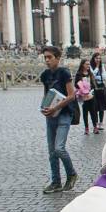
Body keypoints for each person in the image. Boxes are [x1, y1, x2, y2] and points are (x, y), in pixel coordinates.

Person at [38, 46, 79, 194]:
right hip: (51, 116)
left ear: (57, 58)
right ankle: (56, 182)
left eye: (50, 57)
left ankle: (72, 173)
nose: (47, 60)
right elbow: (47, 94)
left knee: (59, 148)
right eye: (45, 58)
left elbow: (71, 95)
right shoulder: (45, 75)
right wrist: (44, 107)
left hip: (64, 114)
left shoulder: (64, 73)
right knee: (52, 152)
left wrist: (56, 108)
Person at [87, 52, 106, 134]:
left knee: (102, 106)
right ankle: (95, 123)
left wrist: (97, 74)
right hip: (94, 88)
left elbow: (104, 76)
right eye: (97, 58)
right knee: (95, 106)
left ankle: (101, 122)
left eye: (99, 58)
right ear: (93, 59)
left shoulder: (102, 66)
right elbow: (92, 75)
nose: (98, 60)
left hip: (101, 87)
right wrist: (96, 68)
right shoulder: (90, 66)